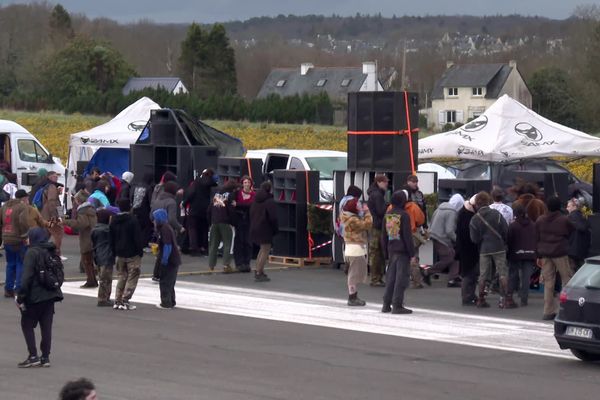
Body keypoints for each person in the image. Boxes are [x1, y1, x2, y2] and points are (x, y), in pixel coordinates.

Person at [16, 227, 63, 368]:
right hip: (51, 294)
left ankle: (33, 355)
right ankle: (45, 357)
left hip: (35, 296)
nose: (26, 239)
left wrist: (20, 297)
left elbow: (26, 278)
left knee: (27, 324)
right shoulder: (51, 250)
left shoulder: (32, 252)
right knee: (46, 327)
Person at [536, 196, 575, 320]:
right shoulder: (564, 220)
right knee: (567, 280)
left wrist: (538, 255)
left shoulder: (540, 220)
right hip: (560, 253)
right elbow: (571, 231)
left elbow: (536, 238)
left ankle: (548, 311)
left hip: (546, 254)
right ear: (559, 207)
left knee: (548, 282)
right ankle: (566, 310)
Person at [469, 191, 509, 308]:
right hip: (498, 247)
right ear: (488, 201)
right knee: (502, 273)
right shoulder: (496, 214)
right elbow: (505, 231)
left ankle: (481, 299)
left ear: (476, 204)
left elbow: (474, 239)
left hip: (484, 248)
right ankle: (504, 299)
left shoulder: (474, 219)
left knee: (483, 275)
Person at [381, 190, 416, 314]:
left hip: (392, 250)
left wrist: (385, 252)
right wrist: (412, 253)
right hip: (402, 252)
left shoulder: (389, 214)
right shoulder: (404, 215)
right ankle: (397, 305)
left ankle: (386, 304)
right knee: (401, 278)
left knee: (391, 278)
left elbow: (384, 236)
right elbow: (407, 236)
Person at [110, 198, 144, 310]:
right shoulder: (132, 220)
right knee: (133, 276)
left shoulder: (114, 220)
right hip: (132, 252)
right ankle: (125, 299)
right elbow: (137, 238)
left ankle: (117, 300)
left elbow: (111, 238)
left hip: (119, 253)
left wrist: (114, 251)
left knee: (121, 276)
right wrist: (140, 251)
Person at [426, 193, 463, 287]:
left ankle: (453, 278)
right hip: (442, 238)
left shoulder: (440, 208)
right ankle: (427, 272)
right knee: (449, 258)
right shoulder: (452, 212)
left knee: (454, 255)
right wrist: (458, 240)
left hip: (434, 235)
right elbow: (449, 231)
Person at [340, 197, 372, 306]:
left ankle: (353, 295)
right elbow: (367, 224)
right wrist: (367, 212)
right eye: (358, 205)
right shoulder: (353, 219)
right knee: (354, 274)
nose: (360, 206)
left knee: (353, 273)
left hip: (351, 247)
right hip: (356, 249)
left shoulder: (346, 216)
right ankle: (352, 297)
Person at [1, 189, 29, 297]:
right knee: (20, 263)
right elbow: (23, 222)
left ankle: (8, 289)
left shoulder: (5, 206)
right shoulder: (22, 207)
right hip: (18, 239)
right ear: (23, 198)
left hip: (7, 237)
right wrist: (25, 235)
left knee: (10, 264)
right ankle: (19, 288)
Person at [507, 204, 536, 307]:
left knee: (512, 276)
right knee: (526, 278)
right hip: (530, 254)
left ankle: (509, 297)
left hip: (515, 254)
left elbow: (509, 240)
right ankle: (524, 299)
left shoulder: (513, 225)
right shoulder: (533, 225)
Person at [64, 199, 98, 288]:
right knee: (89, 261)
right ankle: (93, 280)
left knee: (86, 261)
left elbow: (82, 224)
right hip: (93, 237)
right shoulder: (91, 210)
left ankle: (91, 281)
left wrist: (66, 222)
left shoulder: (82, 212)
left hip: (86, 238)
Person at [249, 181, 278, 282]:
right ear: (269, 189)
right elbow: (273, 217)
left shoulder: (255, 200)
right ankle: (259, 272)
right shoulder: (269, 201)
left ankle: (258, 270)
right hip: (266, 228)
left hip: (255, 227)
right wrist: (275, 229)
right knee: (265, 250)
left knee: (261, 250)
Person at [183, 169, 217, 256]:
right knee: (204, 229)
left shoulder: (196, 182)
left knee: (192, 228)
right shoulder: (213, 183)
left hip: (195, 208)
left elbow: (191, 193)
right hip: (206, 209)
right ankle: (204, 247)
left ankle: (194, 249)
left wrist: (184, 203)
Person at [153, 209, 181, 309]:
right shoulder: (167, 227)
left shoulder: (164, 229)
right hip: (174, 259)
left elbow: (167, 245)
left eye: (155, 218)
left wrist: (164, 259)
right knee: (170, 281)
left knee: (165, 281)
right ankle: (171, 301)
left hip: (170, 259)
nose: (154, 221)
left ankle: (165, 302)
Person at [207, 180, 238, 274]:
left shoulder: (216, 194)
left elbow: (209, 209)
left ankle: (211, 266)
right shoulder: (230, 195)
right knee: (227, 244)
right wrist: (233, 222)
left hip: (214, 221)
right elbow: (231, 210)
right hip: (225, 222)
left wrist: (210, 221)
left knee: (213, 244)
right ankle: (226, 265)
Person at [399, 190, 426, 288]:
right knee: (413, 257)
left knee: (397, 258)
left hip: (396, 236)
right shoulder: (413, 207)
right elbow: (421, 219)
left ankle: (397, 280)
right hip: (412, 234)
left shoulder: (391, 208)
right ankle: (416, 281)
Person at [456, 195, 480, 306]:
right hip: (468, 248)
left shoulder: (463, 212)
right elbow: (467, 233)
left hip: (464, 247)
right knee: (468, 274)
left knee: (470, 273)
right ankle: (467, 296)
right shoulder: (468, 215)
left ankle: (470, 295)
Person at [367, 174, 389, 287]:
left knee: (377, 252)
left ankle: (377, 278)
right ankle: (376, 278)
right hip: (377, 226)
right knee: (377, 253)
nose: (387, 184)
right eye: (385, 182)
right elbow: (381, 211)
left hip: (375, 225)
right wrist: (388, 207)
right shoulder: (377, 195)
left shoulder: (375, 193)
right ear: (379, 182)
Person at [92, 209, 116, 307]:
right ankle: (103, 298)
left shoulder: (95, 230)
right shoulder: (108, 230)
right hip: (107, 255)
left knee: (103, 277)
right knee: (106, 278)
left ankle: (104, 297)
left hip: (98, 254)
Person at [41, 171, 64, 257]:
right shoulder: (52, 186)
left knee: (47, 234)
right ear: (49, 177)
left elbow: (56, 201)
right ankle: (56, 253)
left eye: (57, 176)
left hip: (45, 215)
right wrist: (56, 216)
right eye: (54, 176)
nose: (56, 178)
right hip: (51, 216)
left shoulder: (46, 186)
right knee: (59, 233)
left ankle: (43, 253)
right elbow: (52, 202)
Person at [566, 197, 591, 271]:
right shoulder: (585, 217)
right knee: (581, 272)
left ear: (574, 207)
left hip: (570, 251)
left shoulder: (568, 218)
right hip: (583, 251)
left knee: (571, 274)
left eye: (568, 206)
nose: (567, 208)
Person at [131, 172, 154, 249]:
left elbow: (131, 197)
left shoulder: (135, 186)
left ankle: (136, 243)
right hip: (144, 211)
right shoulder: (148, 187)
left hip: (135, 210)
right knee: (146, 228)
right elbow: (150, 201)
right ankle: (144, 244)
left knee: (137, 228)